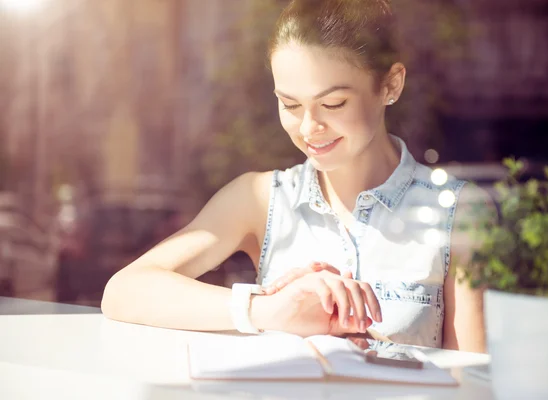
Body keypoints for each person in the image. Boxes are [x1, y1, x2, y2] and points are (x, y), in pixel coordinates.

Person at [101, 0, 491, 353]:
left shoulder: (456, 211)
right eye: (289, 104)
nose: (309, 127)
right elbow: (124, 292)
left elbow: (473, 381)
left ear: (391, 84)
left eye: (332, 103)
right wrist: (267, 309)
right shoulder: (260, 199)